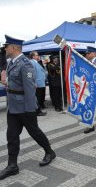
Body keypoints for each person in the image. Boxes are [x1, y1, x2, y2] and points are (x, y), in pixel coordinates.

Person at [0, 35, 56, 180]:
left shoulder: (25, 64)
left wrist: (31, 108)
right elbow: (14, 83)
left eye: (6, 46)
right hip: (13, 106)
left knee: (34, 132)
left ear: (13, 47)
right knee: (11, 135)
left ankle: (49, 152)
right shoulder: (12, 62)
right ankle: (12, 166)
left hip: (25, 107)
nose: (5, 49)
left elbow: (30, 89)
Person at [29, 51, 47, 116]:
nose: (38, 56)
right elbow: (32, 74)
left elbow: (42, 71)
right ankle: (37, 111)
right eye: (37, 55)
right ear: (33, 56)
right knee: (38, 98)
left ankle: (39, 110)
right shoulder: (31, 62)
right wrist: (34, 82)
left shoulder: (36, 62)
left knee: (40, 97)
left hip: (41, 82)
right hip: (37, 83)